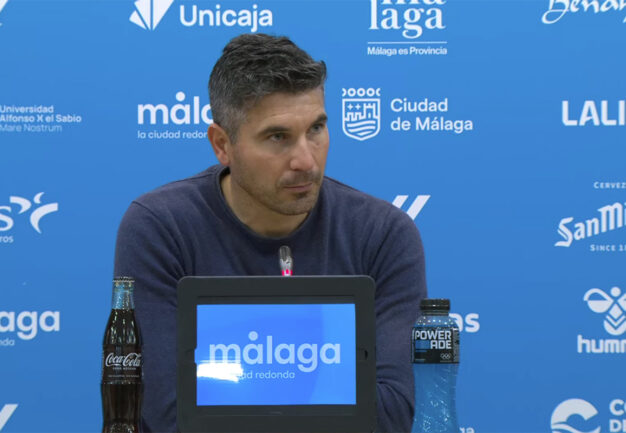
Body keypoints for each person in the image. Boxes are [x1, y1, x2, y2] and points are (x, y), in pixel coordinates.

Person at [114, 33, 427, 433]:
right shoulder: (160, 228)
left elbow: (392, 414)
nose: (306, 161)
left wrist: (232, 394)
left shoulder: (383, 234)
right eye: (278, 137)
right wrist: (329, 392)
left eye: (316, 129)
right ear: (222, 144)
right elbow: (173, 415)